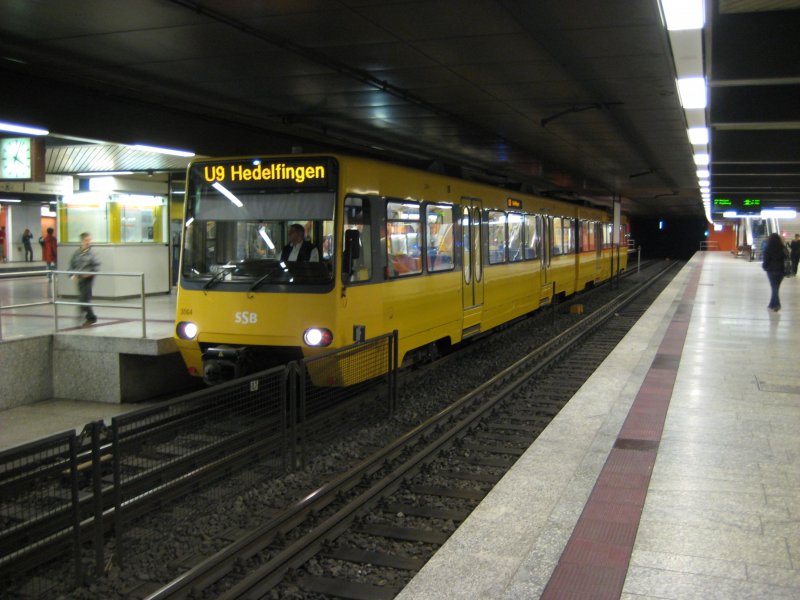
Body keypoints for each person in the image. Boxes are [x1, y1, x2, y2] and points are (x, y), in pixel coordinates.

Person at [69, 232, 100, 326]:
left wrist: (90, 273)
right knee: (85, 299)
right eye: (86, 240)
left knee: (82, 298)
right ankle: (91, 317)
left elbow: (96, 266)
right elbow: (71, 266)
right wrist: (72, 275)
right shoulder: (76, 253)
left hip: (88, 280)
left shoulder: (92, 254)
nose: (88, 242)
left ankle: (80, 317)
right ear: (82, 241)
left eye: (89, 240)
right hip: (79, 279)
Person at [762, 232, 788, 312]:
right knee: (776, 287)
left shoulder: (768, 248)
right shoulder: (783, 247)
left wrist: (765, 267)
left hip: (771, 270)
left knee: (774, 288)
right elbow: (787, 256)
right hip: (781, 270)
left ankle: (777, 304)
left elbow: (766, 260)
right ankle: (771, 304)